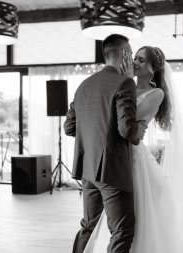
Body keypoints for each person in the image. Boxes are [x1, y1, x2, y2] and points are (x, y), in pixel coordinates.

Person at [82, 46, 183, 253]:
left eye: (141, 60)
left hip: (133, 157)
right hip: (111, 154)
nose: (135, 62)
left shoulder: (157, 93)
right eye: (134, 58)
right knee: (115, 217)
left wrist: (126, 84)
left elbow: (128, 123)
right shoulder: (121, 85)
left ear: (154, 69)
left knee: (137, 213)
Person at [64, 34, 147, 253]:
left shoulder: (84, 84)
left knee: (89, 226)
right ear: (125, 54)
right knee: (122, 230)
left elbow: (69, 128)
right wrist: (141, 130)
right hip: (112, 169)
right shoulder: (124, 82)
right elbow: (127, 130)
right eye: (130, 52)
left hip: (86, 168)